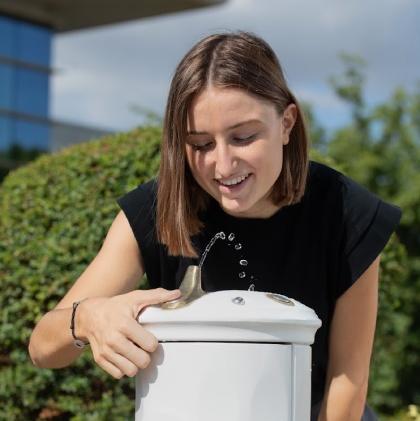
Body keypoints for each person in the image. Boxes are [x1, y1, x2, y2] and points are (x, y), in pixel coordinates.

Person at [29, 31, 401, 421]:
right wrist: (86, 318)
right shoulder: (152, 211)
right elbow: (42, 347)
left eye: (243, 137)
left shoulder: (345, 212)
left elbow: (348, 378)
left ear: (287, 123)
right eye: (201, 144)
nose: (223, 166)